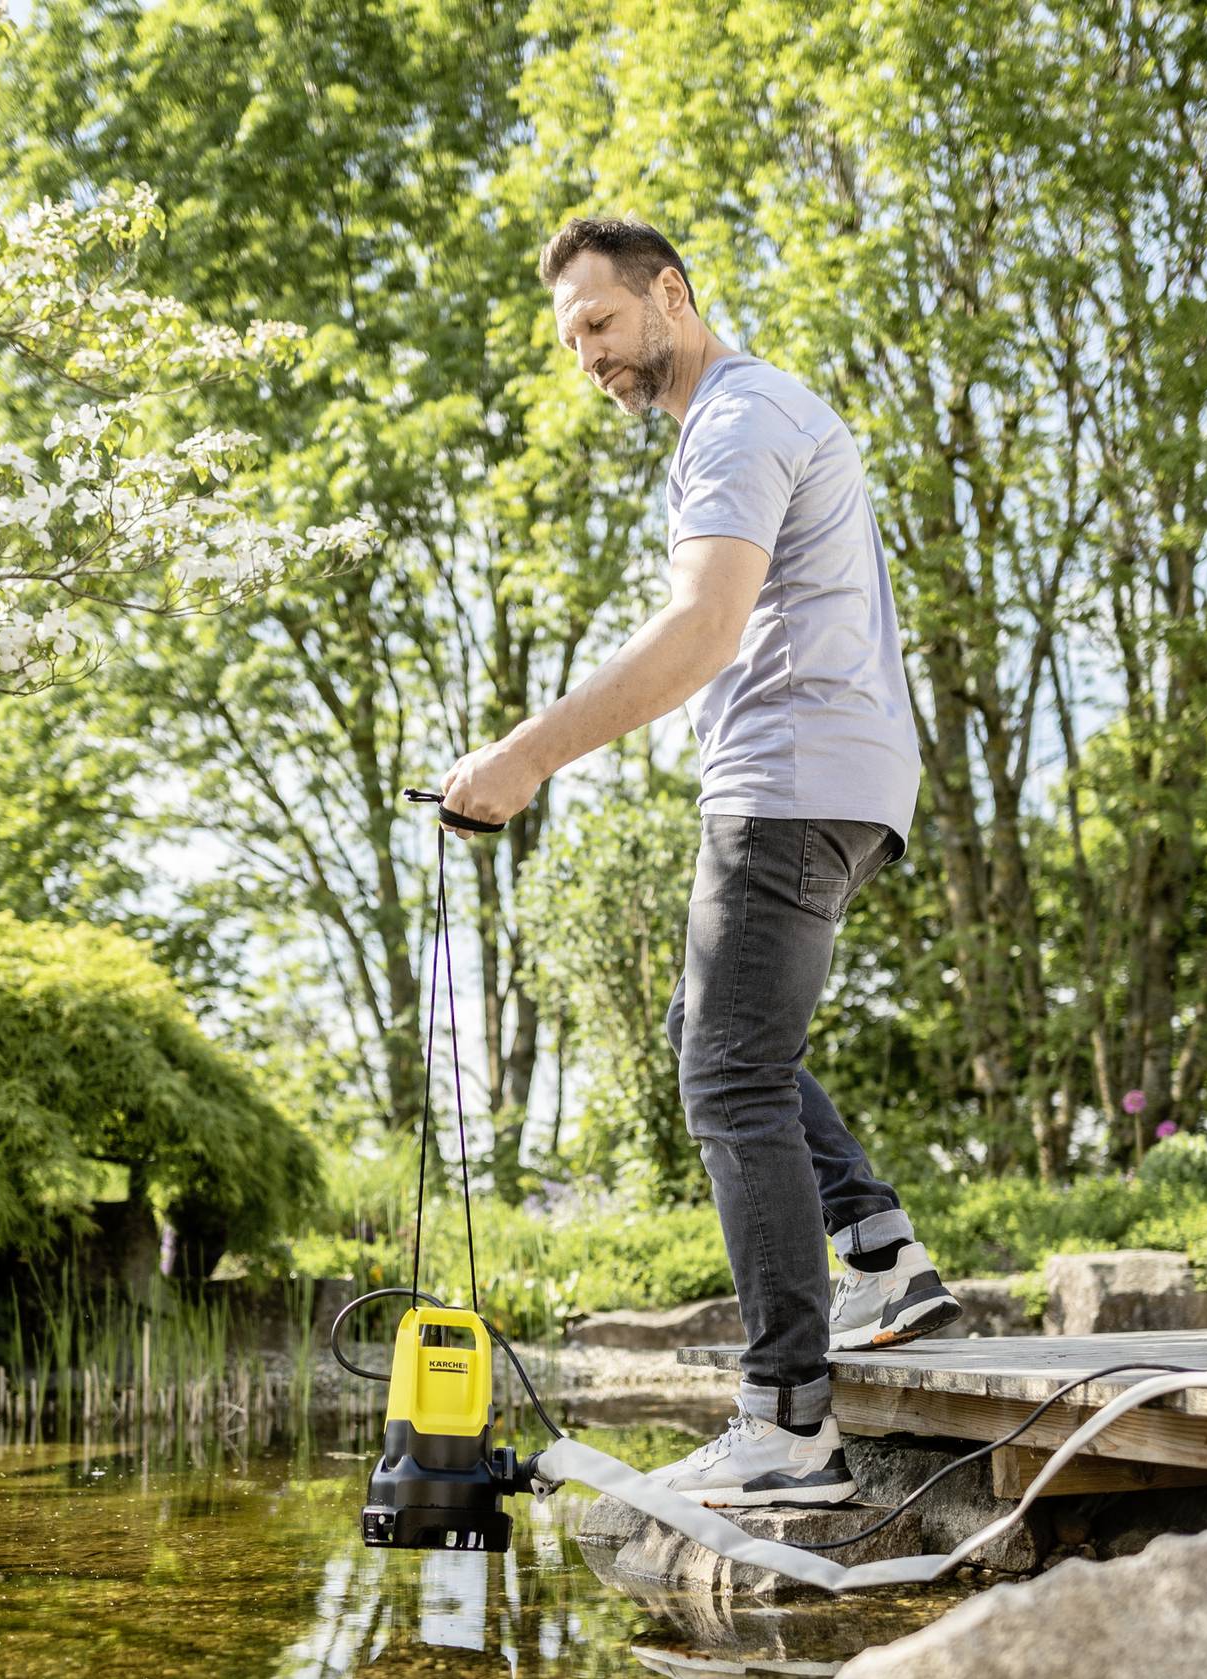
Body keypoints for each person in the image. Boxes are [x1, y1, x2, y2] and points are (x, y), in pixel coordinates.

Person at [437, 216, 958, 1508]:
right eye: (572, 343)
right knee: (719, 1031)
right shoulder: (743, 423)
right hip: (838, 779)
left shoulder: (735, 420)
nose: (590, 358)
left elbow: (704, 629)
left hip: (790, 781)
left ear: (670, 294)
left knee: (723, 1074)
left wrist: (524, 757)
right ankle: (885, 1261)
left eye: (602, 326)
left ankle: (788, 1424)